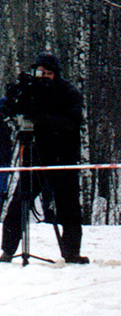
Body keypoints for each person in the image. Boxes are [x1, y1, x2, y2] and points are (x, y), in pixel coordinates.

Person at [1, 53, 88, 264]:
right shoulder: (31, 90)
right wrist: (14, 96)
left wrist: (43, 118)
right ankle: (8, 250)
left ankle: (71, 253)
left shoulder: (68, 93)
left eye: (49, 73)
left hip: (62, 155)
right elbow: (8, 110)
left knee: (68, 205)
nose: (45, 77)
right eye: (41, 73)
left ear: (56, 74)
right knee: (21, 200)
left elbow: (73, 122)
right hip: (34, 154)